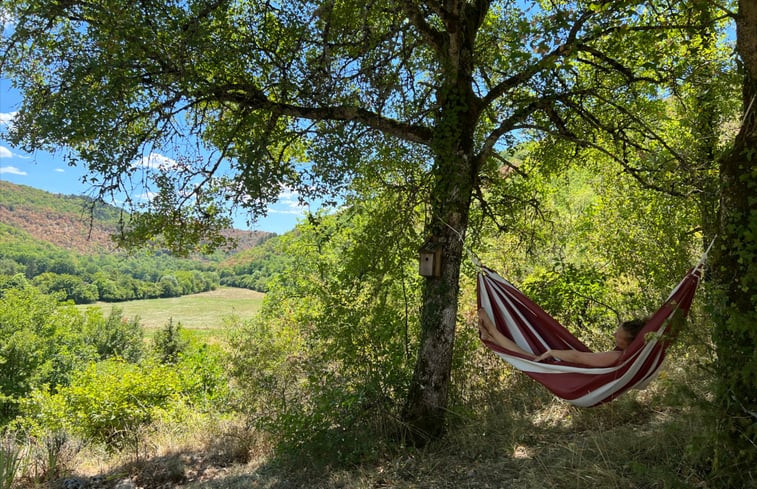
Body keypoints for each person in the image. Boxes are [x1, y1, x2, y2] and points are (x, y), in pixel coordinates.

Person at [478, 308, 647, 367]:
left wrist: (552, 352)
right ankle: (492, 338)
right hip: (572, 372)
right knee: (527, 357)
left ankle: (493, 332)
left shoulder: (616, 355)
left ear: (628, 341)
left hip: (571, 374)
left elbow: (578, 357)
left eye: (619, 335)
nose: (614, 334)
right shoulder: (625, 355)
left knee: (529, 358)